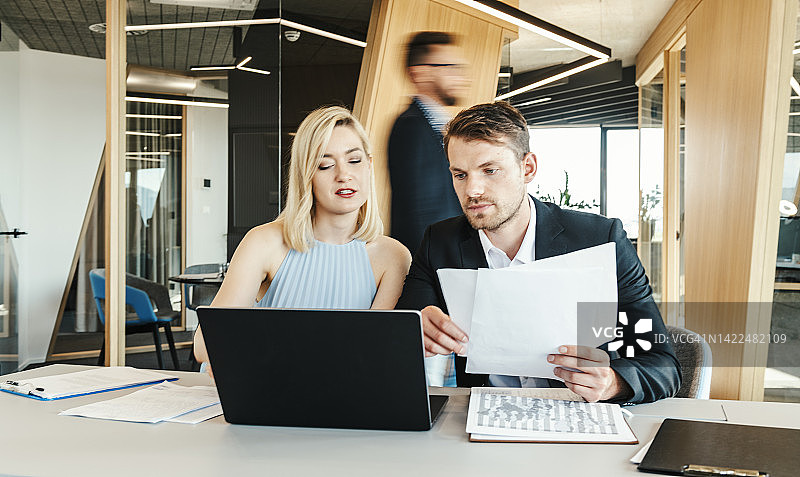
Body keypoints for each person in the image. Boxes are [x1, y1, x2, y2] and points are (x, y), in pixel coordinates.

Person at [396, 101, 681, 404]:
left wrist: (613, 382)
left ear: (527, 168)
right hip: (484, 418)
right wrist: (418, 323)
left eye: (490, 170)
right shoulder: (440, 241)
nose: (473, 190)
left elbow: (664, 366)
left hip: (578, 415)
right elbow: (405, 325)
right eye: (461, 175)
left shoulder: (600, 240)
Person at [194, 106, 411, 367]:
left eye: (354, 160)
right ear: (305, 175)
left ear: (369, 165)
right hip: (267, 393)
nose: (344, 175)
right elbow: (205, 344)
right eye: (325, 165)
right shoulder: (265, 242)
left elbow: (374, 353)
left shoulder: (393, 256)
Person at [388, 31, 471, 253]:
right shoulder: (411, 127)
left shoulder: (438, 125)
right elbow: (421, 211)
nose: (461, 77)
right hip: (433, 263)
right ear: (421, 73)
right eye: (451, 68)